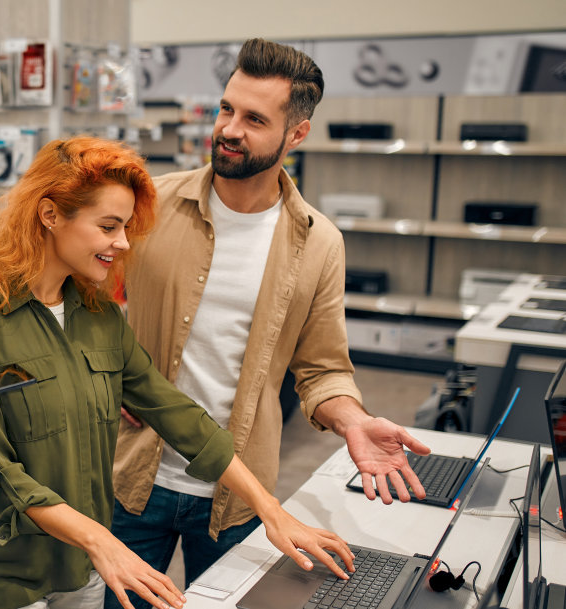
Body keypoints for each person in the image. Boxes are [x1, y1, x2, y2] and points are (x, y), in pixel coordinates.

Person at [0, 136, 356, 609]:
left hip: (84, 569)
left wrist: (272, 510)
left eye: (125, 227)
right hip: (11, 575)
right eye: (109, 226)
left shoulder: (101, 319)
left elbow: (176, 413)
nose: (122, 242)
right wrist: (104, 542)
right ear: (50, 214)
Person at [105, 39, 433, 609]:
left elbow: (323, 368)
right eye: (227, 109)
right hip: (133, 477)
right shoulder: (149, 205)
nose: (230, 129)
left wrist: (353, 420)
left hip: (237, 498)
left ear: (296, 134)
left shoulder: (319, 243)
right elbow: (83, 305)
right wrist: (103, 377)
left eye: (255, 119)